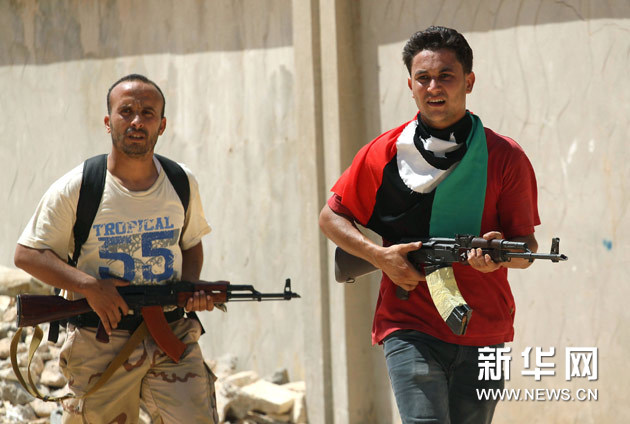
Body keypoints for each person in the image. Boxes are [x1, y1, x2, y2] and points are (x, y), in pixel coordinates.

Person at [319, 26, 540, 424]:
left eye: (446, 76)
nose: (433, 87)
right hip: (408, 324)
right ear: (410, 85)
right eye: (423, 78)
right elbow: (330, 216)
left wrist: (499, 255)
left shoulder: (504, 156)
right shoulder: (384, 153)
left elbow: (526, 250)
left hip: (484, 328)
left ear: (469, 82)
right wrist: (378, 256)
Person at [14, 74, 219, 424]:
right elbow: (27, 254)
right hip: (100, 339)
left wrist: (189, 289)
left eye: (148, 113)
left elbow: (191, 244)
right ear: (108, 122)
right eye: (126, 111)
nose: (137, 121)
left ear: (162, 125)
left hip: (170, 332)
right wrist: (89, 287)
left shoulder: (180, 181)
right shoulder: (80, 186)